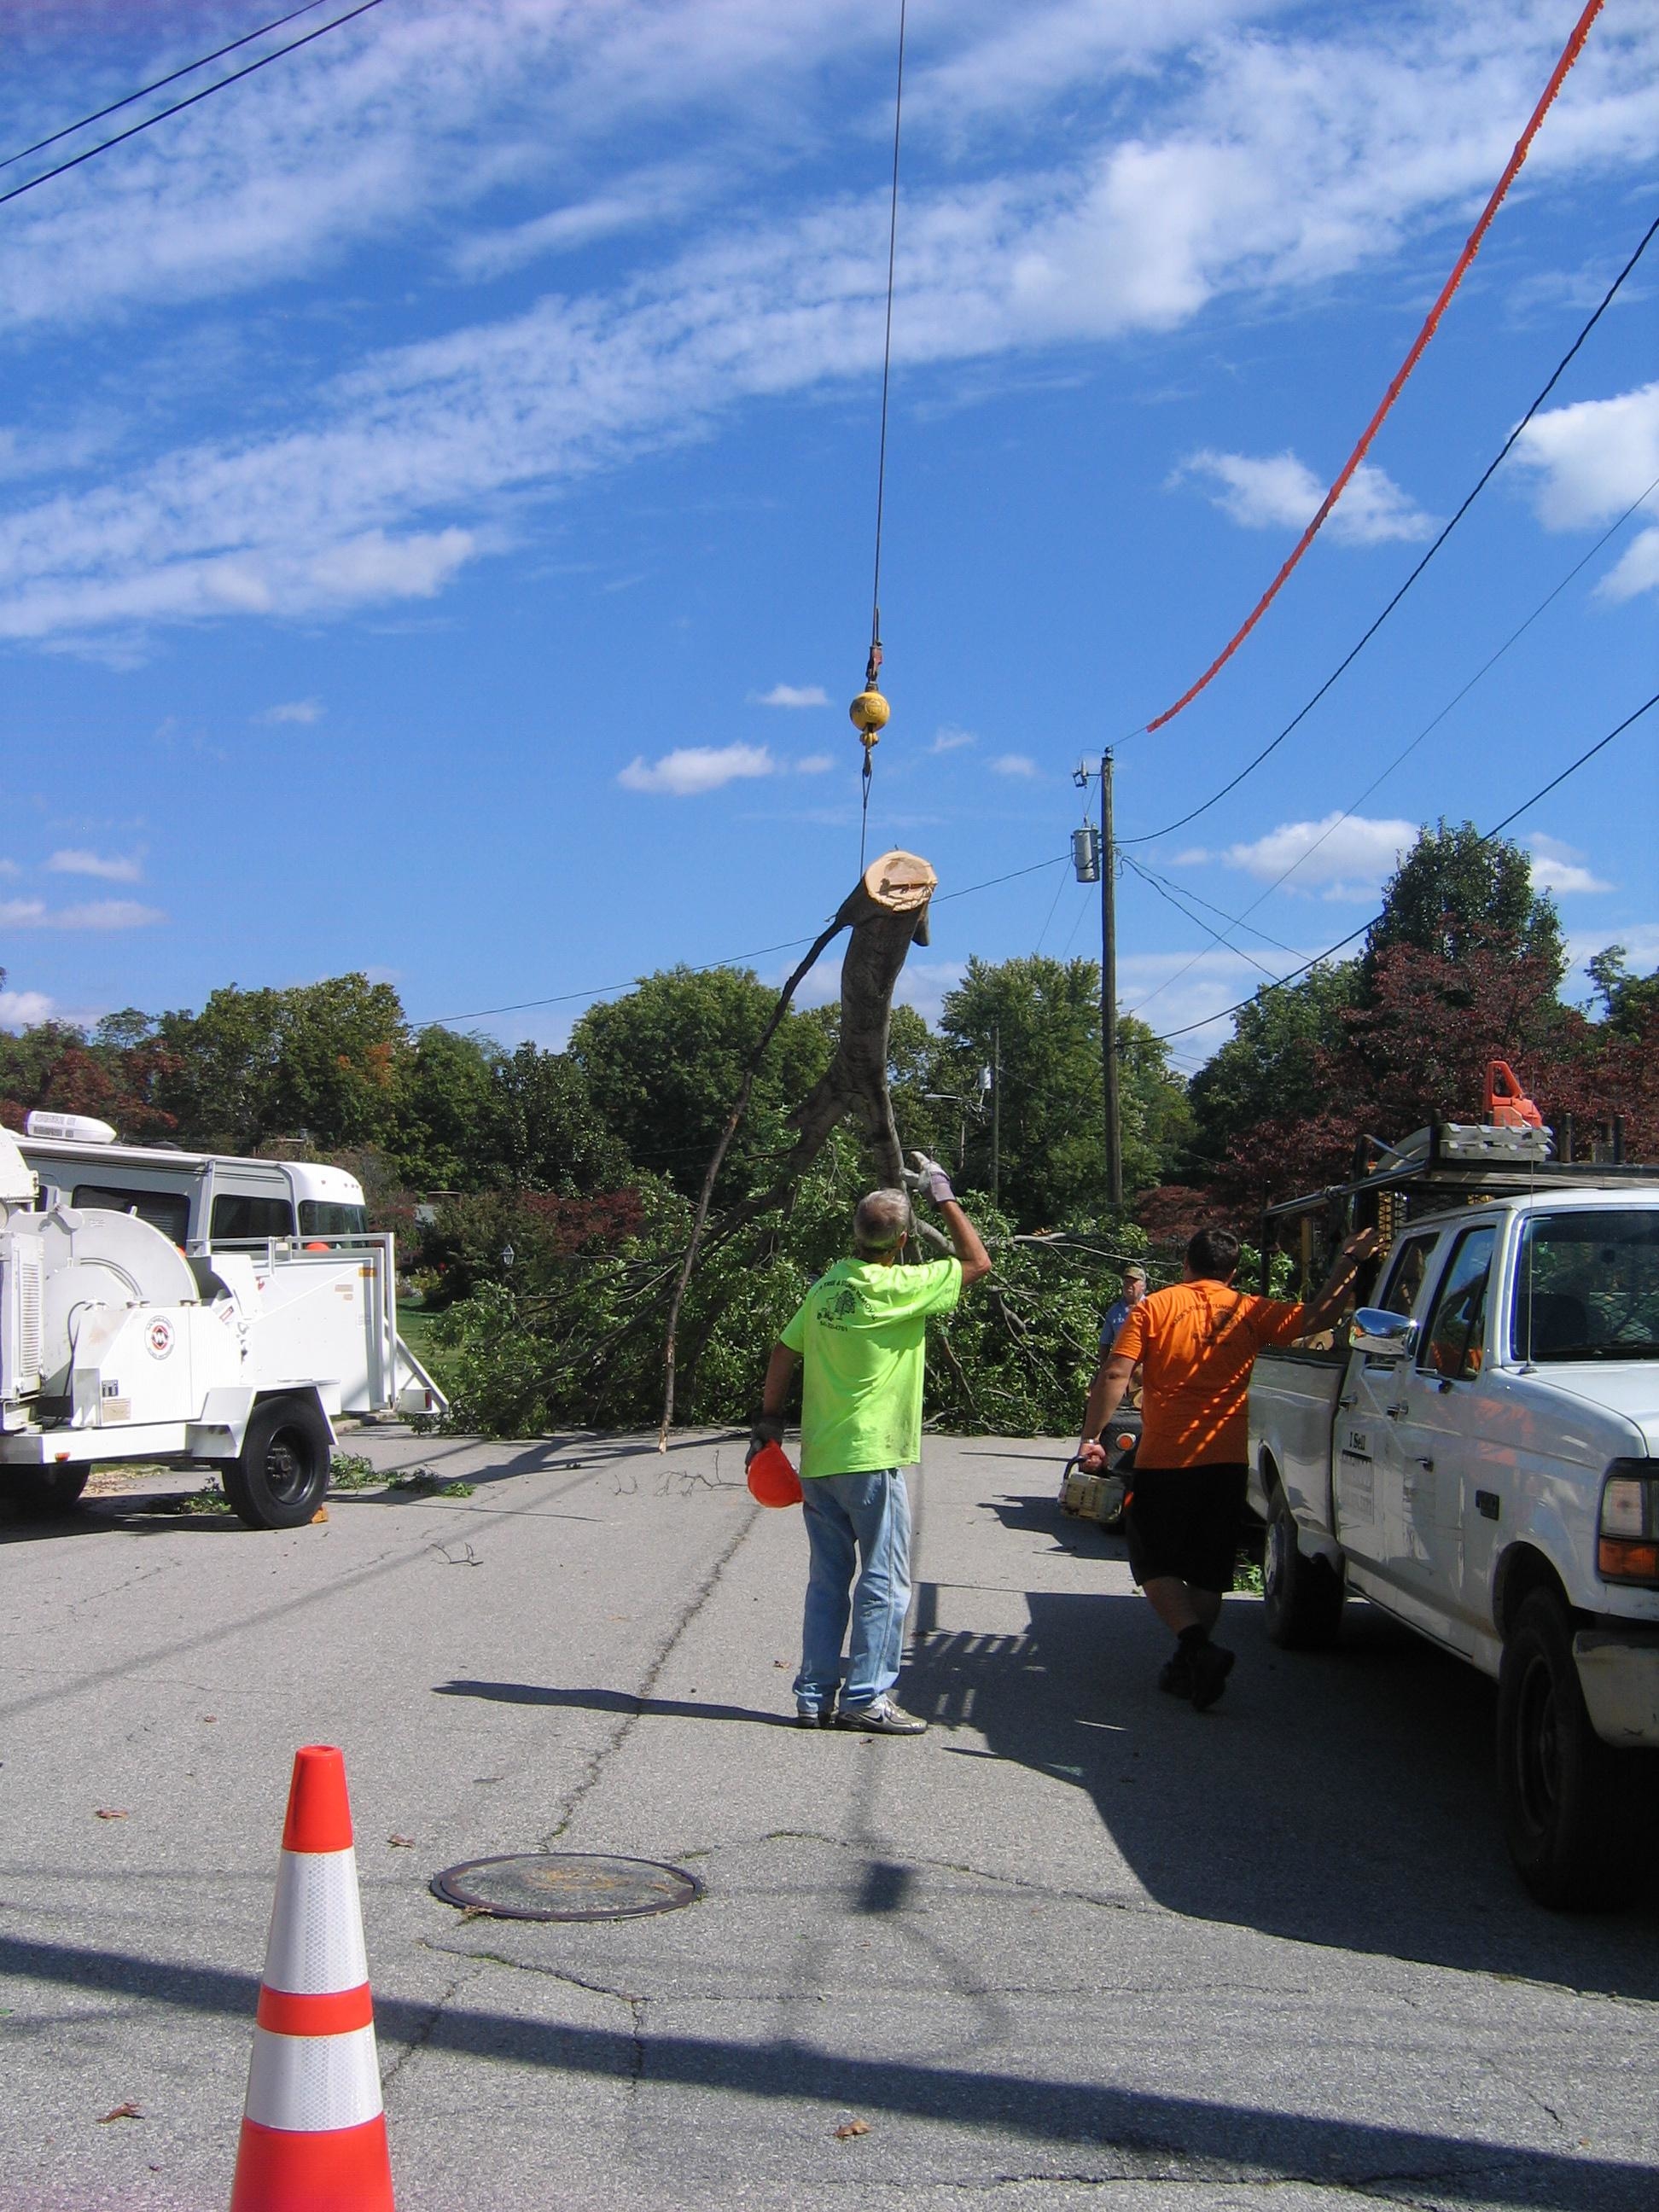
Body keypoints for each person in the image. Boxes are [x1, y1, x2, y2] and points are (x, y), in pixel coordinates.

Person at [1078, 1222, 1377, 1711]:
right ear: (1233, 1272)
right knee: (1208, 1570)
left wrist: (1092, 1438)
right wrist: (1350, 1260)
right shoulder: (1249, 1310)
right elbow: (1320, 1316)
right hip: (1225, 1458)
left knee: (1151, 1559)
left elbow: (1116, 1371)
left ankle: (1196, 1647)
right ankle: (1190, 1665)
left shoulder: (1154, 1307)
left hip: (1166, 1457)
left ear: (1185, 1264)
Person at [750, 1154, 991, 1735]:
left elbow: (784, 1352)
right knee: (885, 1581)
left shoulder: (828, 1285)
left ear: (855, 1235)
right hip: (873, 1459)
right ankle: (866, 1697)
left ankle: (812, 1695)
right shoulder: (903, 1285)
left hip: (821, 1460)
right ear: (903, 1242)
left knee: (828, 1580)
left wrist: (768, 1422)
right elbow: (977, 1260)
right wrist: (942, 1191)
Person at [1099, 1265, 1147, 1356]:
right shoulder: (1114, 1312)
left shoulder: (1152, 1307)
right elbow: (1105, 1342)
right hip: (1122, 1363)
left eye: (1133, 1282)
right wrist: (1104, 1367)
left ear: (1143, 1286)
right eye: (1126, 1282)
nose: (1128, 1285)